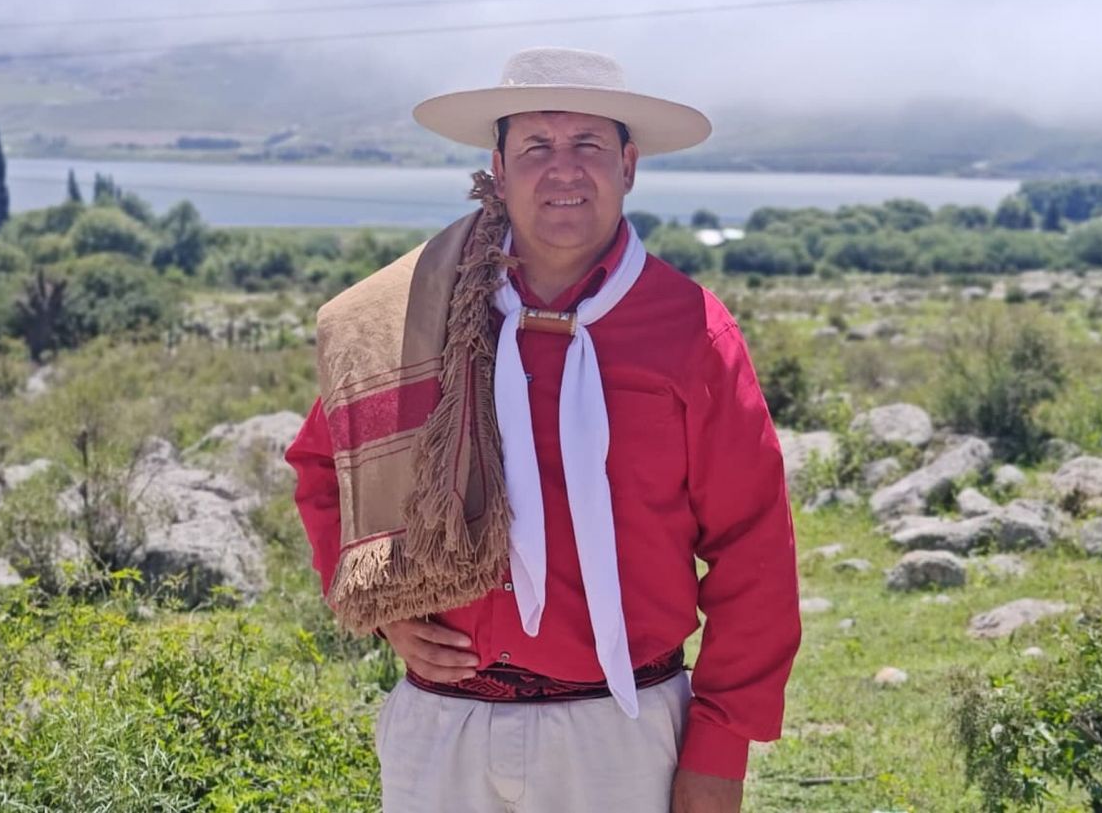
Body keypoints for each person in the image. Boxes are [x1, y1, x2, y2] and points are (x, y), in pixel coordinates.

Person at [285, 46, 800, 813]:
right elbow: (326, 467)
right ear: (497, 167)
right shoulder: (413, 316)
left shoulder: (692, 331)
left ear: (629, 166)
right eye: (536, 147)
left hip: (620, 735)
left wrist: (720, 751)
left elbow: (754, 549)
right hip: (442, 729)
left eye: (588, 145)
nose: (564, 169)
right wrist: (387, 608)